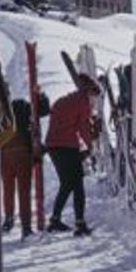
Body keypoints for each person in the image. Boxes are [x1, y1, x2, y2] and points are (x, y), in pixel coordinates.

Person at [45, 74, 99, 236]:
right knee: (77, 185)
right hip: (67, 146)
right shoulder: (83, 103)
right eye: (94, 97)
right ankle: (80, 224)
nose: (94, 101)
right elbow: (83, 127)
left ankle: (55, 219)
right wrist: (90, 146)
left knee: (67, 184)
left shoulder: (63, 100)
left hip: (53, 146)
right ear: (89, 92)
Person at [0, 99, 36, 239]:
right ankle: (26, 226)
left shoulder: (5, 123)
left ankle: (9, 218)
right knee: (24, 192)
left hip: (6, 156)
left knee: (8, 190)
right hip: (23, 156)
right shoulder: (27, 125)